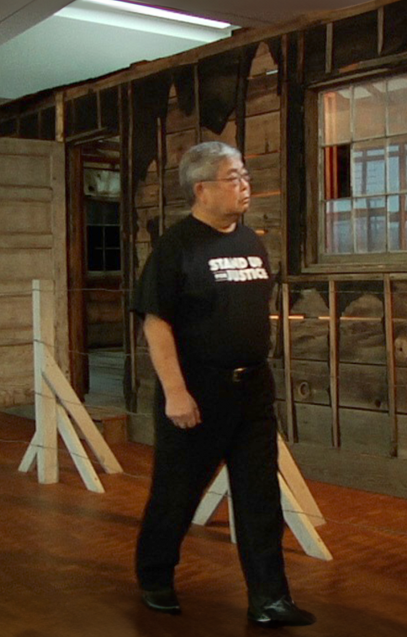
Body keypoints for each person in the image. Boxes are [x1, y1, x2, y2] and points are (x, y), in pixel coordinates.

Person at [131, 141, 315, 627]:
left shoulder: (250, 240)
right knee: (176, 492)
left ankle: (270, 599)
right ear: (202, 188)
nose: (245, 185)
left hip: (252, 389)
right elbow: (156, 323)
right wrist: (175, 390)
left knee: (260, 498)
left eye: (245, 176)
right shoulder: (175, 247)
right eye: (233, 178)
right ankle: (155, 577)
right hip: (197, 389)